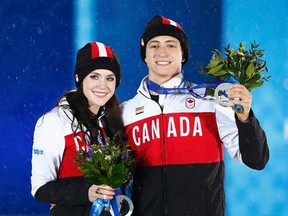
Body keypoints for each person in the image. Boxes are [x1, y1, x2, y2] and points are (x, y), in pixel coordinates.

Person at [120, 15, 269, 216]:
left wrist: (245, 118)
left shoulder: (210, 101)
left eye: (171, 45)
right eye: (154, 45)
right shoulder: (125, 112)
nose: (162, 52)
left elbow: (256, 160)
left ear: (183, 55)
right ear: (145, 56)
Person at [31, 41, 126, 215]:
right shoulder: (54, 121)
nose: (103, 85)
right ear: (79, 78)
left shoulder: (114, 120)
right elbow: (40, 189)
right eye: (94, 76)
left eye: (110, 78)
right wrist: (86, 193)